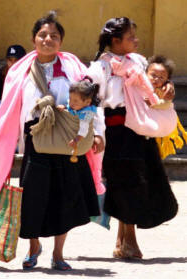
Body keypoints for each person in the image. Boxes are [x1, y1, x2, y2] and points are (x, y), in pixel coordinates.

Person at [0, 11, 105, 271]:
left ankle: (58, 254)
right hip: (36, 140)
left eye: (54, 36)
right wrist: (3, 143)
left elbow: (90, 103)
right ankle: (33, 248)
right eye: (43, 35)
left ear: (61, 41)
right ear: (34, 39)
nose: (48, 39)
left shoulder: (74, 68)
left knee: (65, 197)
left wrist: (96, 132)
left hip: (68, 141)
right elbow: (9, 110)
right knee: (32, 197)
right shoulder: (20, 71)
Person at [87, 17, 178, 259]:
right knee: (126, 184)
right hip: (116, 133)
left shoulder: (138, 62)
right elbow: (93, 102)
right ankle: (129, 241)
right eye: (131, 37)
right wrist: (97, 134)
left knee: (142, 181)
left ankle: (122, 241)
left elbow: (150, 89)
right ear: (116, 41)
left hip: (139, 130)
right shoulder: (100, 68)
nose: (136, 41)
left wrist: (166, 89)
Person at [57, 79, 100, 148]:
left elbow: (83, 130)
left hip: (81, 141)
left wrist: (76, 140)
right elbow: (69, 106)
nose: (71, 103)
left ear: (87, 102)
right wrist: (64, 107)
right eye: (70, 98)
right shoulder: (76, 106)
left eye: (75, 101)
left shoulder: (86, 114)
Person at [0, 45, 26, 122]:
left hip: (24, 104)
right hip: (7, 104)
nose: (13, 63)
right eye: (10, 60)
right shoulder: (2, 73)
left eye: (16, 60)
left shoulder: (31, 72)